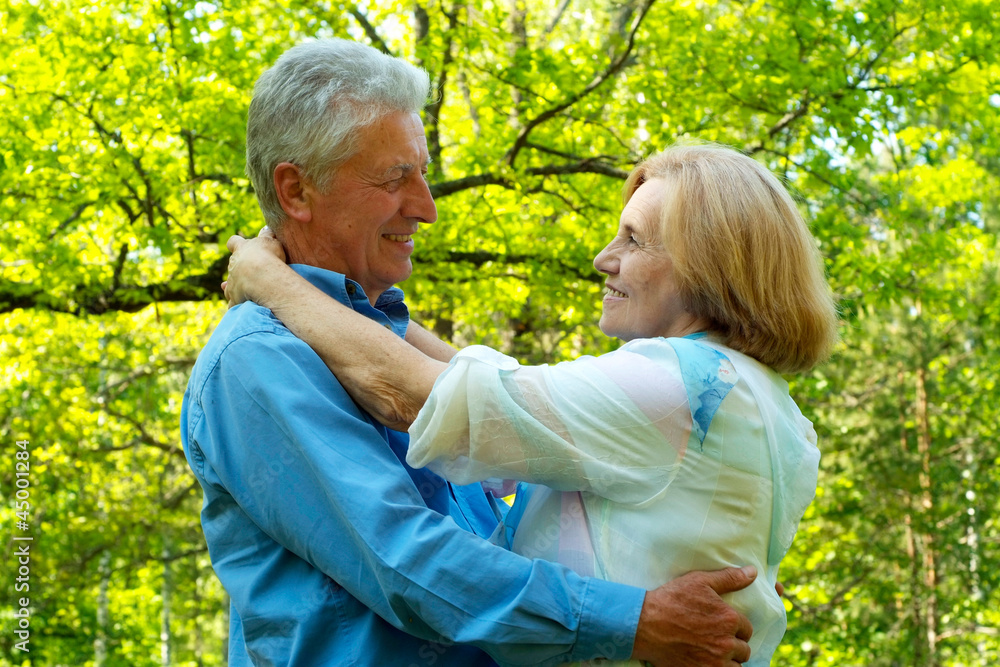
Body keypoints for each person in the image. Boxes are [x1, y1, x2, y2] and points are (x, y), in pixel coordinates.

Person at [182, 38, 759, 667]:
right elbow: (406, 562)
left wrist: (688, 550)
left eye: (422, 172)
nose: (426, 209)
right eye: (394, 179)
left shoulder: (375, 335)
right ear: (295, 191)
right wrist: (634, 620)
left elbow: (516, 481)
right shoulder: (258, 360)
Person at [223, 142, 839, 666]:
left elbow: (435, 401)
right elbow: (505, 392)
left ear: (710, 265)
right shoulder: (766, 405)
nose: (605, 258)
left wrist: (273, 281)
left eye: (634, 239)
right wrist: (362, 305)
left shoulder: (678, 385)